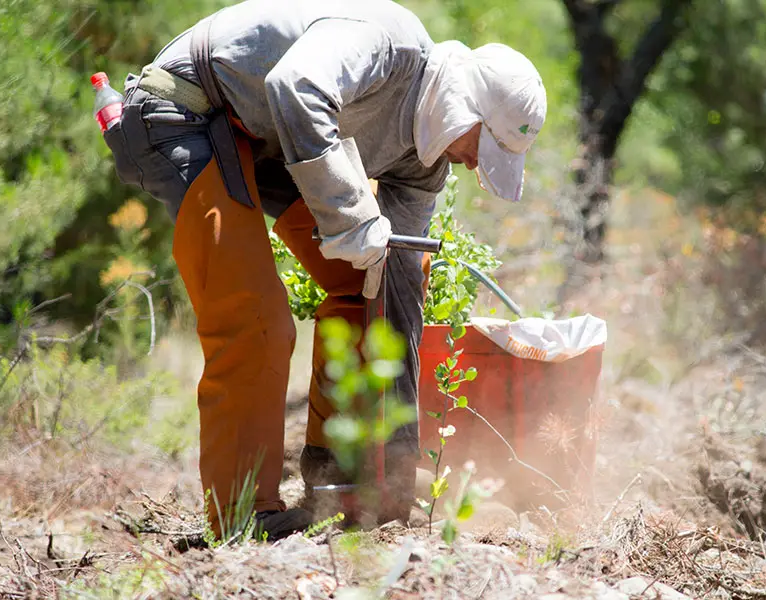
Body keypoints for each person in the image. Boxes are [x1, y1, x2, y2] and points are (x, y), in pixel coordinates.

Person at [102, 0, 546, 541]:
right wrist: (355, 216)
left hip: (271, 143)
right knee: (255, 319)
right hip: (190, 112)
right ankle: (243, 518)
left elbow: (398, 293)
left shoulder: (423, 162)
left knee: (369, 289)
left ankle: (336, 484)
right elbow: (295, 84)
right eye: (484, 148)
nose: (476, 165)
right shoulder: (391, 45)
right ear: (464, 110)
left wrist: (398, 460)